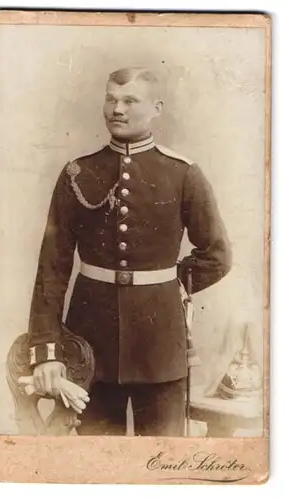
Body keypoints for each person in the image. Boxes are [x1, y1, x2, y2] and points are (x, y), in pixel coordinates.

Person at [15, 66, 232, 436]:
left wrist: (170, 284)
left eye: (130, 101)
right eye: (111, 99)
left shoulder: (182, 174)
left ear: (156, 108)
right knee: (98, 463)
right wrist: (47, 350)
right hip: (90, 345)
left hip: (160, 346)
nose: (118, 109)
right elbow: (52, 268)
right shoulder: (77, 173)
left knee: (163, 465)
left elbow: (217, 254)